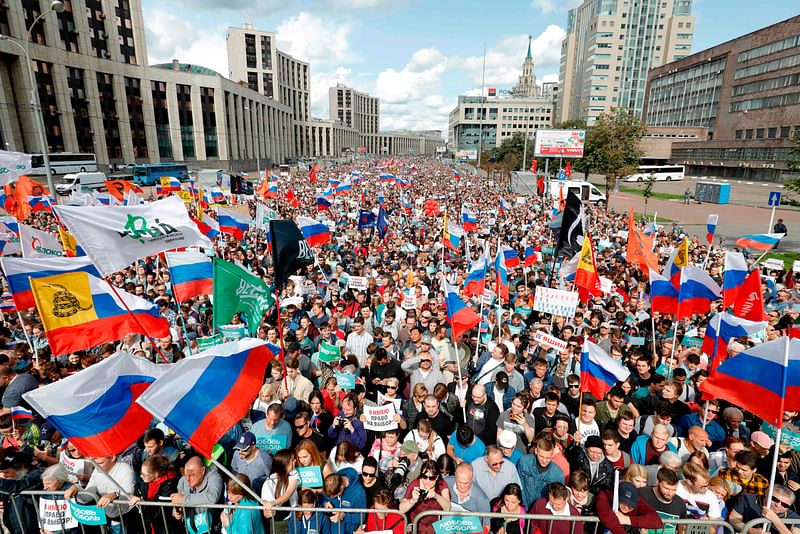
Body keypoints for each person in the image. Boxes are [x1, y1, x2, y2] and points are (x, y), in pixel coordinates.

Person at [64, 453, 138, 534]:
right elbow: (87, 497)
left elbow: (130, 496)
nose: (96, 466)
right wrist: (76, 488)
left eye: (100, 463)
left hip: (124, 519)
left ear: (112, 458)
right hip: (106, 519)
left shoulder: (125, 469)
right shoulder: (96, 471)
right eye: (94, 463)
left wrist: (114, 495)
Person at [129, 455, 181, 534]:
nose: (141, 476)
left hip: (168, 527)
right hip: (151, 527)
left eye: (144, 474)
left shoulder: (169, 485)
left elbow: (162, 511)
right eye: (141, 473)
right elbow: (139, 491)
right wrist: (136, 497)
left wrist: (142, 503)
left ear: (156, 474)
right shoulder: (146, 482)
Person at [399, 459, 451, 534]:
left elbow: (447, 508)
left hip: (435, 528)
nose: (427, 481)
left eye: (432, 478)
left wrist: (436, 496)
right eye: (424, 476)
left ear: (437, 477)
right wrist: (413, 500)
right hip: (416, 527)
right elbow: (401, 509)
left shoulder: (442, 484)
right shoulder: (415, 484)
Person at [0, 449, 44, 534]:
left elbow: (19, 486)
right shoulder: (10, 479)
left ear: (21, 467)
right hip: (15, 528)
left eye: (7, 472)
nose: (3, 475)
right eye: (1, 472)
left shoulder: (37, 474)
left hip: (34, 528)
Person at [596, 481, 663, 534]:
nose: (626, 507)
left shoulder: (637, 499)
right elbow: (606, 516)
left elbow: (657, 521)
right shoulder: (605, 495)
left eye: (630, 506)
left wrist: (627, 519)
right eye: (623, 502)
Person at [728, 485, 800, 534]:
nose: (778, 505)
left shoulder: (794, 518)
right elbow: (733, 518)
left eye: (784, 505)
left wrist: (775, 519)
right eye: (774, 499)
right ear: (766, 493)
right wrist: (750, 530)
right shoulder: (747, 499)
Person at [517, 437, 565, 508]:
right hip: (523, 507)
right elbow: (519, 486)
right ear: (536, 451)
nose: (544, 460)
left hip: (543, 511)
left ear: (552, 454)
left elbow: (558, 497)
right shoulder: (524, 462)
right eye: (541, 456)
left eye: (548, 458)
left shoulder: (558, 474)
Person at [261, 449, 300, 533]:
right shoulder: (269, 482)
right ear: (284, 464)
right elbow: (266, 513)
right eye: (292, 460)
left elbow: (287, 494)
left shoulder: (294, 473)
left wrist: (273, 503)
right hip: (279, 521)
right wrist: (269, 511)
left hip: (293, 517)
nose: (295, 461)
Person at [321, 468, 367, 534]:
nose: (335, 498)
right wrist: (325, 503)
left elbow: (362, 517)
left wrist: (344, 516)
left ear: (341, 487)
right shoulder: (330, 484)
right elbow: (323, 498)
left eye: (336, 496)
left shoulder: (359, 492)